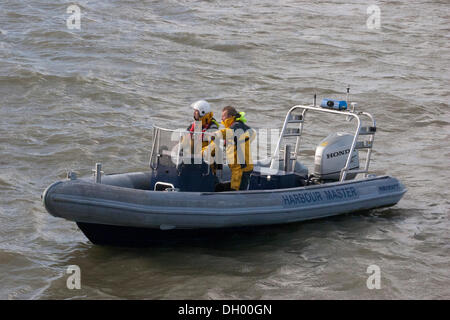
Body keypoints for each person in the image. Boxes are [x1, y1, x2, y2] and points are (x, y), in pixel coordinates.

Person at [204, 106, 255, 191]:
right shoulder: (234, 129)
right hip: (236, 168)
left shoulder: (238, 126)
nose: (221, 118)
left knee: (237, 191)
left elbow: (227, 132)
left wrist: (215, 134)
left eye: (223, 116)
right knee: (230, 187)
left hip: (242, 168)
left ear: (230, 117)